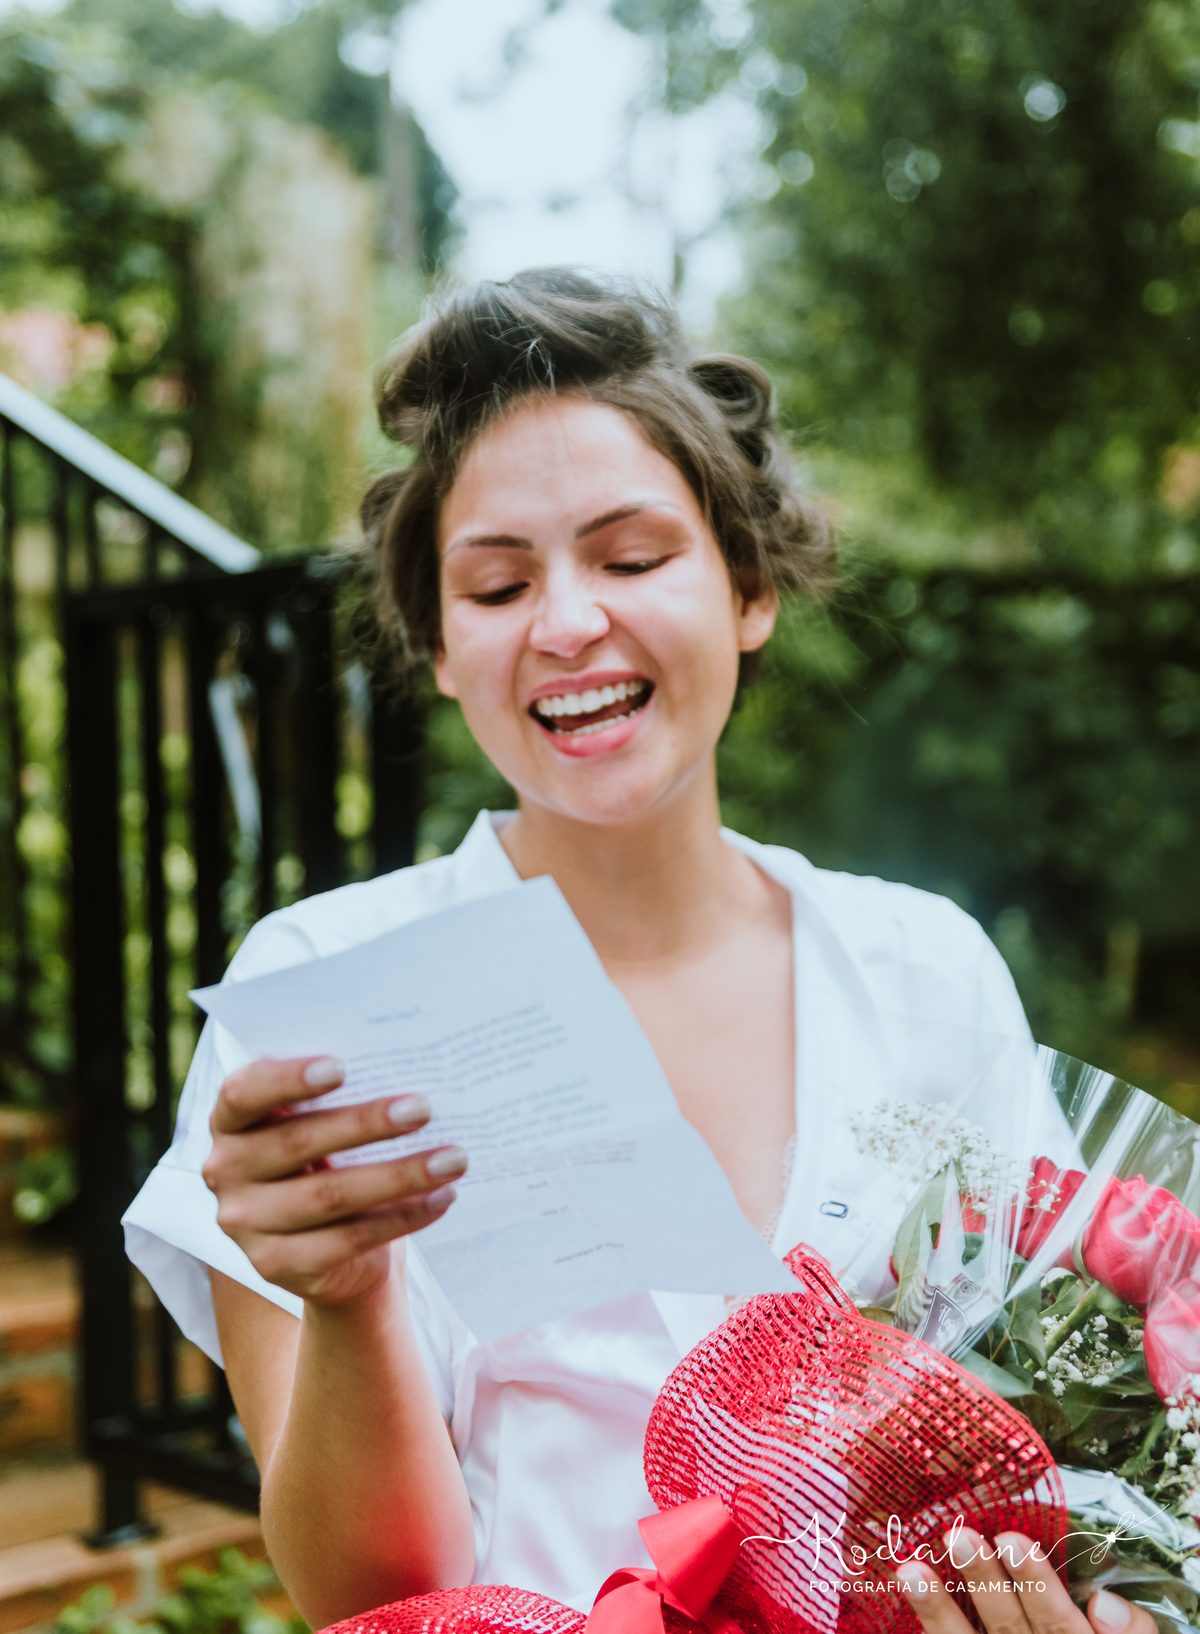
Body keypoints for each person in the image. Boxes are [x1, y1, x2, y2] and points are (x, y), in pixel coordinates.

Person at [123, 270, 1142, 1634]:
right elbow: (369, 1599)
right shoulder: (329, 990)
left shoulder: (925, 972)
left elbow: (1084, 1442)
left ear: (750, 588)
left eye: (631, 556)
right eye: (496, 582)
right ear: (438, 644)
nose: (564, 624)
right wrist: (349, 1291)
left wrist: (1096, 1600)